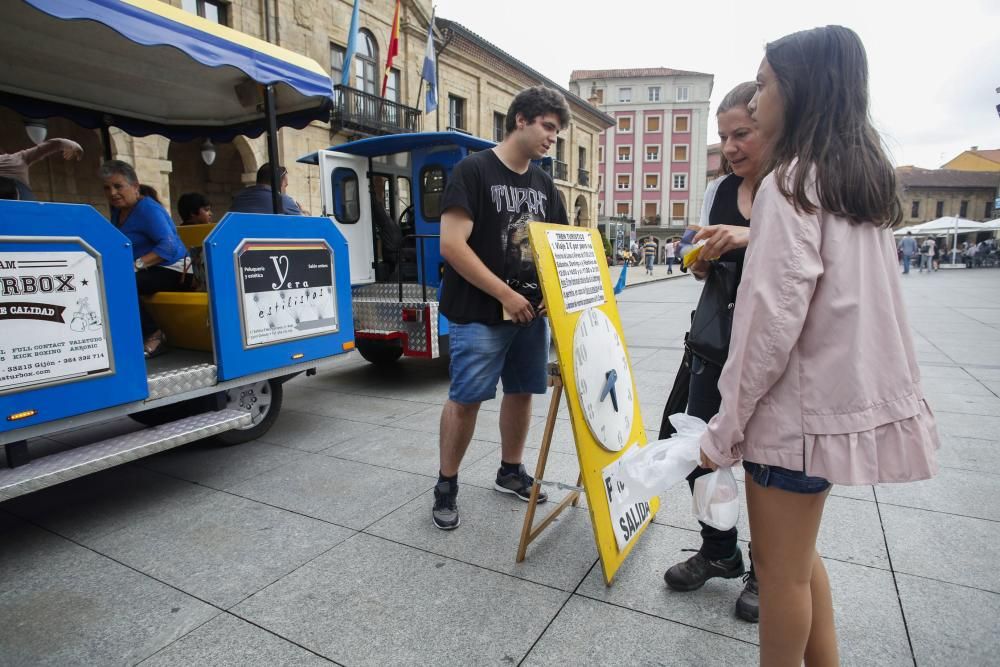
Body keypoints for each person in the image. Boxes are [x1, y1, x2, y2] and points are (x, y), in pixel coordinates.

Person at [699, 27, 939, 666]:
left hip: (793, 415)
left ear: (798, 91)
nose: (754, 103)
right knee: (800, 563)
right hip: (832, 408)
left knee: (781, 578)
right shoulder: (853, 179)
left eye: (767, 84)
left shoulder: (790, 184)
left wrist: (727, 424)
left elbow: (768, 323)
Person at [432, 86, 570, 530]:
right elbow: (452, 246)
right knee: (466, 399)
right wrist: (504, 295)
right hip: (479, 312)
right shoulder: (473, 171)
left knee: (523, 390)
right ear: (520, 120)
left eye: (557, 131)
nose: (553, 138)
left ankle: (510, 471)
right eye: (548, 127)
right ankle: (446, 484)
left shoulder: (545, 184)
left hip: (532, 314)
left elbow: (559, 245)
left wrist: (554, 292)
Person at [660, 81, 761, 624]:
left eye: (742, 133)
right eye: (724, 136)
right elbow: (698, 257)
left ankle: (768, 571)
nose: (731, 146)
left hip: (771, 349)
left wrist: (752, 236)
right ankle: (719, 549)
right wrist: (698, 259)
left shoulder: (790, 191)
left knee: (768, 464)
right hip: (714, 342)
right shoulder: (718, 191)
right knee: (695, 449)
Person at [100, 160, 190, 358]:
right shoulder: (118, 212)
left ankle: (154, 335)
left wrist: (136, 265)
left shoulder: (149, 209)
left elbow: (168, 246)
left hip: (174, 270)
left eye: (118, 186)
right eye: (107, 188)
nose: (112, 192)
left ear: (135, 187)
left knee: (122, 283)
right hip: (150, 270)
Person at [0, 137, 84, 200]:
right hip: (19, 191)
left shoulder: (18, 157)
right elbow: (55, 143)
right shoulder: (18, 157)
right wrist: (76, 146)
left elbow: (55, 143)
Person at [230, 164, 304, 215]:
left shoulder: (238, 198)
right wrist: (302, 213)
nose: (285, 190)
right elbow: (303, 226)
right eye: (285, 186)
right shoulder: (283, 201)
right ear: (277, 183)